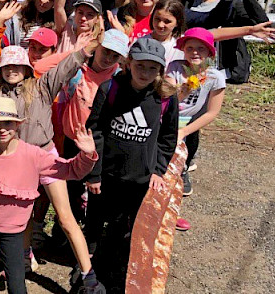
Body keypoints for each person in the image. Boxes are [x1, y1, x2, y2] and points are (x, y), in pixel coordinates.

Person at [0, 97, 98, 294]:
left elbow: (70, 170)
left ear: (17, 124)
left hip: (13, 230)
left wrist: (86, 155)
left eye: (7, 122)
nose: (2, 128)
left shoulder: (34, 154)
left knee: (16, 283)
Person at [84, 38, 179, 289]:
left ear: (160, 71)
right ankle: (86, 265)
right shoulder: (111, 88)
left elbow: (168, 138)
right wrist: (94, 173)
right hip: (106, 175)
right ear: (128, 64)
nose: (145, 73)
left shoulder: (165, 97)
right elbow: (95, 131)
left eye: (152, 68)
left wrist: (158, 170)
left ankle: (118, 269)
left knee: (128, 225)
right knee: (95, 219)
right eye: (140, 66)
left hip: (140, 179)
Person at [166, 28, 226, 201]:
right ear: (183, 49)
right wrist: (182, 91)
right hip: (171, 115)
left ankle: (182, 169)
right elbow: (168, 100)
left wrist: (184, 132)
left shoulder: (215, 77)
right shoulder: (175, 67)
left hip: (190, 121)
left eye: (201, 48)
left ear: (209, 52)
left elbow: (213, 112)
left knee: (185, 144)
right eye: (190, 48)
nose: (195, 52)